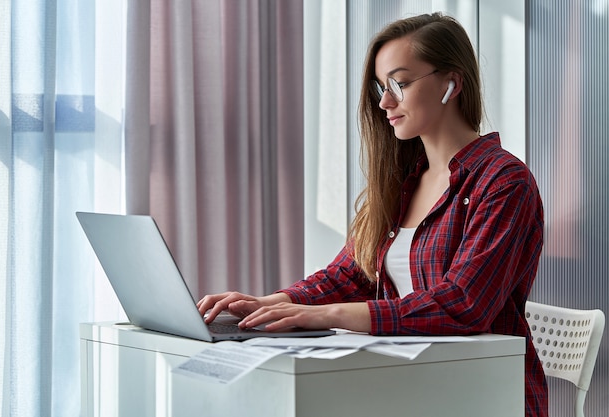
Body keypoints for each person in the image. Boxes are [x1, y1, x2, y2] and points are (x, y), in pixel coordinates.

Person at [198, 12, 548, 417]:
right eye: (382, 87)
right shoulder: (402, 183)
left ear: (452, 83)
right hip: (411, 383)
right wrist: (270, 304)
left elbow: (463, 304)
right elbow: (350, 274)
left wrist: (326, 316)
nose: (385, 102)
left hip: (486, 392)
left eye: (399, 83)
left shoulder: (504, 181)